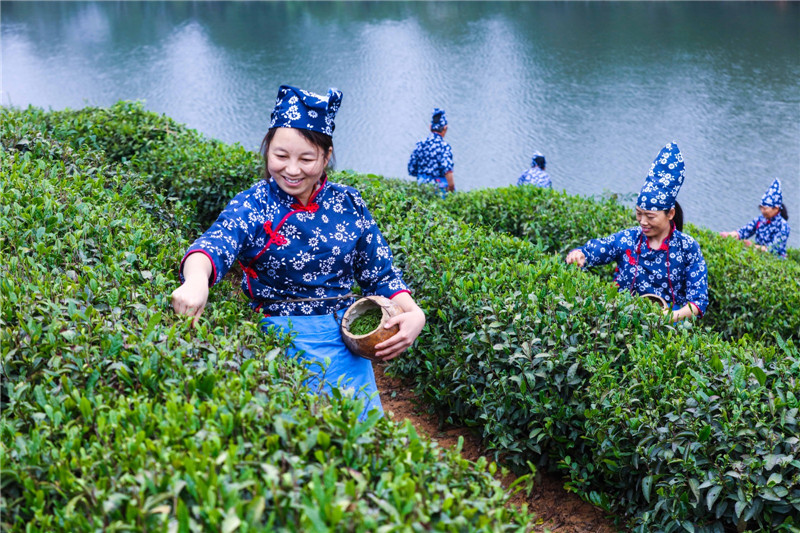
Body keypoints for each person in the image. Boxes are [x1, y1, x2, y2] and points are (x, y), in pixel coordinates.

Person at [171, 85, 426, 418]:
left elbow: (380, 273)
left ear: (326, 155)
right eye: (280, 156)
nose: (292, 170)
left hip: (347, 344)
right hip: (280, 342)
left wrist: (414, 313)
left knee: (364, 444)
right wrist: (195, 281)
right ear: (266, 151)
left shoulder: (348, 204)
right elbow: (215, 244)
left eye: (306, 158)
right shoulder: (254, 203)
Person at [565, 142, 709, 321]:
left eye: (650, 216)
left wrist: (671, 317)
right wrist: (579, 254)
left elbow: (698, 301)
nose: (643, 221)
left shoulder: (687, 247)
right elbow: (597, 250)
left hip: (670, 328)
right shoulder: (628, 238)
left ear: (670, 214)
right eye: (639, 214)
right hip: (623, 322)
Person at [719, 177, 791, 259]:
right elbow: (744, 231)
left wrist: (752, 246)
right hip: (757, 254)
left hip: (775, 258)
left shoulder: (783, 226)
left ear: (776, 208)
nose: (762, 211)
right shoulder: (760, 219)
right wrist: (728, 235)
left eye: (765, 208)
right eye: (761, 208)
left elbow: (772, 249)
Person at [407, 107, 455, 197]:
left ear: (430, 127)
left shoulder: (420, 144)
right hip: (439, 190)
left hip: (421, 188)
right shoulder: (444, 146)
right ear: (445, 128)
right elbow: (448, 172)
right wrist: (451, 189)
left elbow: (411, 169)